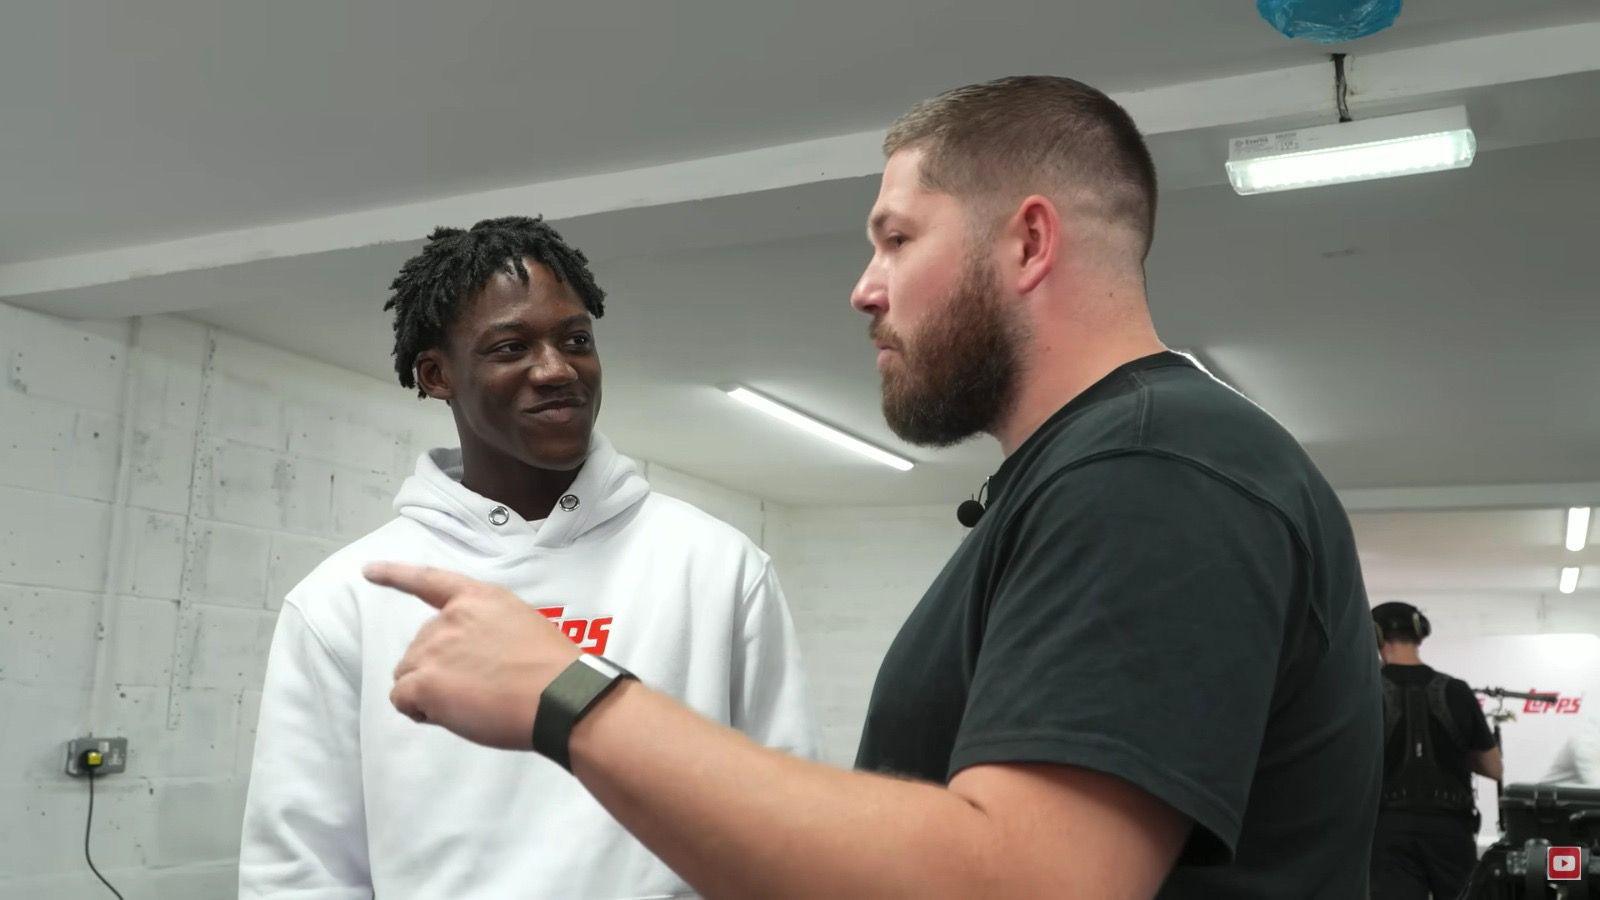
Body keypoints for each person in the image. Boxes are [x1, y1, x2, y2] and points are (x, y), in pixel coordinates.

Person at [362, 76, 1383, 898]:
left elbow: (1029, 880)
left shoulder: (1151, 470)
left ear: (1028, 242)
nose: (864, 285)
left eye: (896, 237)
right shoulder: (1091, 474)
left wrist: (565, 696)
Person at [238, 217, 816, 900]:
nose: (556, 369)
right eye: (511, 347)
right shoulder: (345, 598)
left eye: (575, 339)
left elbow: (791, 828)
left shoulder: (716, 566)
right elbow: (301, 870)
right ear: (435, 375)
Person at [1369, 600, 1502, 900]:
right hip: (1451, 827)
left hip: (1388, 829)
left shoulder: (1368, 690)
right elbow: (1493, 768)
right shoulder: (1456, 690)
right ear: (1419, 634)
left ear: (1375, 636)